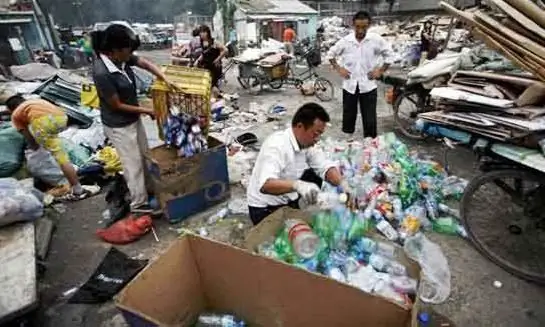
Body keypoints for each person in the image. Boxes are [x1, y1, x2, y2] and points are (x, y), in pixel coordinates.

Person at [91, 24, 177, 216]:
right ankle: (139, 204)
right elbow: (116, 105)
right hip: (118, 125)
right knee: (133, 164)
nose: (130, 54)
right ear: (115, 51)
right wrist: (147, 110)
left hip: (133, 118)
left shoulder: (121, 58)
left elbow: (144, 63)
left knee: (145, 155)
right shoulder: (102, 72)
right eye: (128, 51)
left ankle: (149, 190)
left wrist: (163, 77)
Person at [247, 103, 350, 225]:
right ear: (300, 126)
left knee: (314, 176)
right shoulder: (276, 145)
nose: (317, 139)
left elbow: (324, 166)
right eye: (315, 134)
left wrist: (343, 184)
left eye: (320, 135)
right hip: (265, 208)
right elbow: (265, 185)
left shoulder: (307, 143)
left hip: (288, 198)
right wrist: (298, 185)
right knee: (301, 236)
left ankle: (297, 207)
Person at [6, 95, 90, 200]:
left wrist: (34, 148)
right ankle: (78, 175)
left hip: (44, 122)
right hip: (62, 118)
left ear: (11, 109)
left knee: (61, 159)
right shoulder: (35, 101)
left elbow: (28, 136)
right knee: (57, 148)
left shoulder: (15, 115)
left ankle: (78, 190)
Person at [327, 11, 393, 139]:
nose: (361, 30)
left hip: (368, 86)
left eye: (364, 27)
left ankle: (369, 145)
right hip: (349, 85)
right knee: (348, 116)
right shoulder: (346, 41)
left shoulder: (375, 40)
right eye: (358, 27)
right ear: (353, 25)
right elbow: (331, 54)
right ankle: (348, 142)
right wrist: (339, 68)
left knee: (369, 118)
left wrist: (379, 71)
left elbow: (389, 55)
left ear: (369, 25)